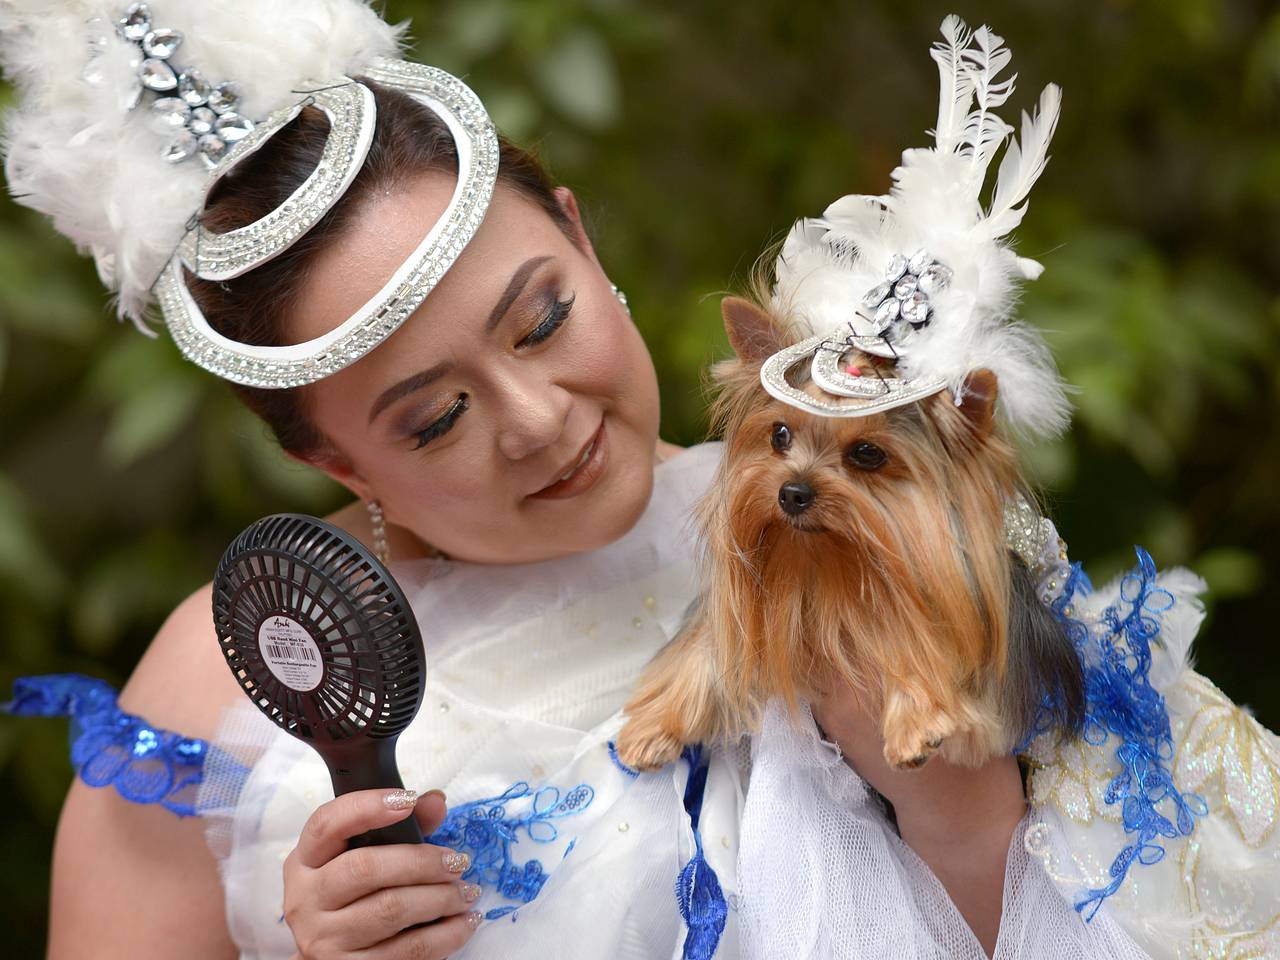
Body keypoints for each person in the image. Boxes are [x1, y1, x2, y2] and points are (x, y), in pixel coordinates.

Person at [2, 4, 1275, 959]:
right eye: (436, 417)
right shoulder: (229, 687)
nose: (538, 419)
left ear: (584, 239)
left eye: (543, 318)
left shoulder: (861, 531)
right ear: (328, 459)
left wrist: (955, 815)